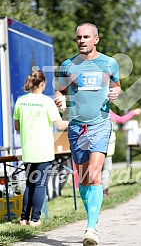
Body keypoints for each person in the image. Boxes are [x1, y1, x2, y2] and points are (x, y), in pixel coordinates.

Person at [55, 22, 121, 245]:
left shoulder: (109, 63)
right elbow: (59, 89)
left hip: (100, 125)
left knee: (94, 174)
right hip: (76, 127)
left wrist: (115, 92)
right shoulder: (68, 65)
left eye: (86, 37)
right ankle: (92, 216)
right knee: (83, 180)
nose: (81, 40)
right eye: (78, 37)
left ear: (96, 39)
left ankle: (91, 228)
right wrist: (60, 98)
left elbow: (117, 86)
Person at [13, 70, 68, 227]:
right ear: (43, 83)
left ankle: (23, 219)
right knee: (40, 185)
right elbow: (59, 125)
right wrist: (74, 121)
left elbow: (17, 127)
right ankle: (35, 219)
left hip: (28, 151)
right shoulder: (47, 102)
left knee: (30, 184)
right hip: (43, 150)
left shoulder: (20, 101)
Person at [102, 108, 141, 196]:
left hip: (102, 145)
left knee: (98, 168)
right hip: (106, 146)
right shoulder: (105, 110)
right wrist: (133, 112)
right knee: (107, 168)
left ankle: (98, 189)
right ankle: (104, 190)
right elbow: (121, 119)